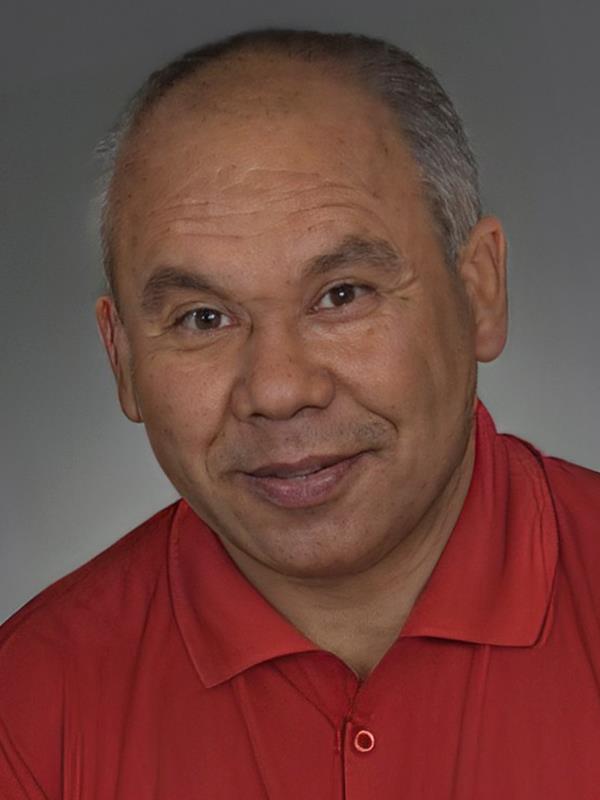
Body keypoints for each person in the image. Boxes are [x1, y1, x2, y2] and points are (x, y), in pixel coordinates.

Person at [1, 28, 599, 800]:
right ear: (122, 359)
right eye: (203, 318)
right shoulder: (27, 714)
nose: (279, 390)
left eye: (341, 295)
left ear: (479, 291)